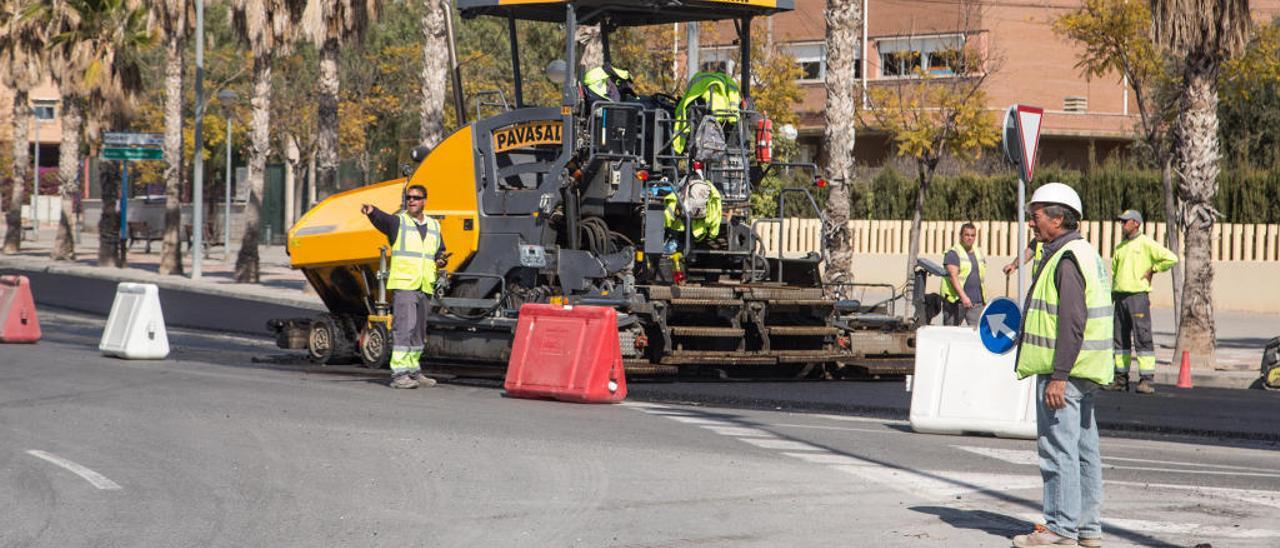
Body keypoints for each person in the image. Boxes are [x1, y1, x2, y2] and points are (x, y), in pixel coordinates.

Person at [1012, 182, 1113, 548]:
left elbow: (1072, 321)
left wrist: (1058, 376)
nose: (1032, 223)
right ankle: (1087, 528)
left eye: (1035, 215)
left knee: (1058, 450)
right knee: (1084, 450)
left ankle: (1060, 530)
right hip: (1084, 371)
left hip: (1066, 375)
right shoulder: (1084, 253)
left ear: (1057, 218)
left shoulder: (1067, 259)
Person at [361, 184, 450, 389]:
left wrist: (440, 260)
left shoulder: (435, 226)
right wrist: (371, 211)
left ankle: (413, 370)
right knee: (404, 328)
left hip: (424, 285)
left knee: (419, 331)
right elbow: (382, 219)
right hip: (405, 284)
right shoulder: (398, 222)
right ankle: (399, 375)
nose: (411, 200)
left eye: (416, 198)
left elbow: (439, 251)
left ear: (424, 201)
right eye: (408, 197)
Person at [1108, 209, 1179, 394]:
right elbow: (1115, 274)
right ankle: (1120, 379)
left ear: (1136, 223)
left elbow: (1172, 258)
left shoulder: (1146, 243)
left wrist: (1153, 269)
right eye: (1121, 222)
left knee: (1142, 338)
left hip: (1138, 297)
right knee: (1119, 341)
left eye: (1125, 221)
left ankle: (1146, 380)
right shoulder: (1120, 247)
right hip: (1120, 298)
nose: (1122, 225)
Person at [941, 222, 987, 326]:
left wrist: (983, 300)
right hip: (956, 302)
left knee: (977, 335)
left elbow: (980, 278)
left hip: (976, 303)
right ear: (961, 235)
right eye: (967, 235)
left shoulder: (978, 252)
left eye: (973, 235)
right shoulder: (953, 253)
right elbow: (953, 277)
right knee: (951, 334)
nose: (970, 238)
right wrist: (964, 297)